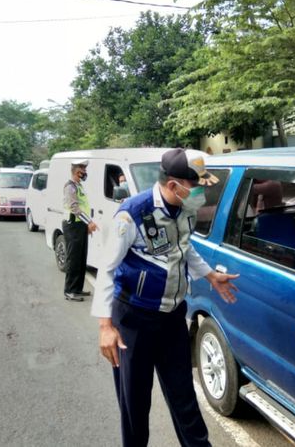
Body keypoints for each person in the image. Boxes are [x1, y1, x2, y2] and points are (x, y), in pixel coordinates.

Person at [91, 148, 239, 447]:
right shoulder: (133, 214)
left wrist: (210, 274)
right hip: (133, 320)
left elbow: (184, 248)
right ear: (174, 185)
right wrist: (105, 326)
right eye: (196, 185)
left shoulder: (185, 209)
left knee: (184, 396)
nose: (201, 192)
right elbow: (108, 268)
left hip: (172, 318)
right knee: (135, 402)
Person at [63, 159, 99, 302]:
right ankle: (69, 291)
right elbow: (74, 207)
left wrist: (85, 226)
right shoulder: (70, 187)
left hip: (80, 226)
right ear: (77, 172)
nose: (85, 172)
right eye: (83, 170)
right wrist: (89, 222)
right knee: (73, 259)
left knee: (81, 258)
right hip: (72, 226)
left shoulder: (79, 186)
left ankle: (77, 289)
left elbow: (83, 207)